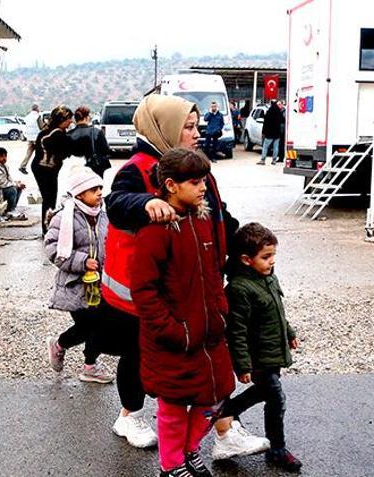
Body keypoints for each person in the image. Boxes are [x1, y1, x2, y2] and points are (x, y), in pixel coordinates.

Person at [102, 94, 250, 452]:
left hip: (194, 285)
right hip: (146, 290)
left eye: (196, 125)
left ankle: (225, 433)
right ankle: (130, 416)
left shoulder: (194, 168)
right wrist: (146, 202)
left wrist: (244, 250)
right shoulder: (137, 168)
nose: (196, 133)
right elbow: (117, 203)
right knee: (139, 355)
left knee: (208, 358)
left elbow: (220, 217)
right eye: (188, 126)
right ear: (165, 127)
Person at [130, 148, 236, 477]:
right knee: (174, 406)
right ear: (172, 185)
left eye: (204, 179)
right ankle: (172, 465)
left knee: (215, 397)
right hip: (172, 340)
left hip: (209, 335)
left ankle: (189, 451)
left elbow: (213, 273)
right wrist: (175, 331)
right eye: (196, 181)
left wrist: (220, 313)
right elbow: (144, 291)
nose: (204, 186)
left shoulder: (202, 220)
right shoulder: (153, 232)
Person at [221, 223, 303, 472]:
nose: (272, 262)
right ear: (246, 260)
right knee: (276, 398)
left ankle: (225, 411)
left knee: (267, 393)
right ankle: (277, 450)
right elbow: (237, 330)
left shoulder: (268, 278)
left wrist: (288, 332)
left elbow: (277, 310)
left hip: (273, 351)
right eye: (266, 257)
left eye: (273, 255)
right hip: (258, 356)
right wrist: (243, 364)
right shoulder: (239, 289)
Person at [44, 166, 115, 384]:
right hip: (76, 285)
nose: (100, 193)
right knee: (88, 326)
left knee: (101, 324)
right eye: (94, 189)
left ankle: (90, 366)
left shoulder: (104, 214)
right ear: (79, 194)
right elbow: (53, 249)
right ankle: (59, 345)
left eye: (100, 188)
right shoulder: (64, 217)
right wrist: (82, 261)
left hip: (100, 283)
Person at [31, 105, 73, 235]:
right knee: (50, 198)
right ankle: (48, 229)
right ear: (62, 119)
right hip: (46, 170)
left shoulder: (45, 132)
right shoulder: (58, 134)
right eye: (69, 119)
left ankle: (48, 227)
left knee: (47, 198)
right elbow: (66, 152)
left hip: (40, 168)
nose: (71, 122)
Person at [0, 147, 27, 221]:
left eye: (5, 156)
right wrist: (15, 185)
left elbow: (9, 180)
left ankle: (11, 210)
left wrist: (17, 183)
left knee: (18, 188)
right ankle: (10, 211)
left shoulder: (3, 166)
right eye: (2, 156)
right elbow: (2, 183)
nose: (4, 158)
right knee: (12, 190)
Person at [68, 105, 111, 178]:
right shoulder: (96, 132)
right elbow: (105, 150)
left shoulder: (69, 135)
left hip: (75, 171)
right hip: (95, 169)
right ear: (87, 117)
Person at [19, 104, 41, 175]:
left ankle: (22, 166)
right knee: (40, 153)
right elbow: (41, 127)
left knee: (28, 153)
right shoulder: (38, 116)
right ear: (37, 109)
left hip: (29, 137)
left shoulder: (27, 117)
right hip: (37, 137)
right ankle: (39, 167)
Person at [260, 100, 284, 165]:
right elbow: (282, 121)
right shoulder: (279, 112)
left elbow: (265, 123)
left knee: (265, 146)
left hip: (269, 134)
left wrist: (263, 132)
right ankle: (274, 160)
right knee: (276, 147)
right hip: (277, 133)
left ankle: (263, 160)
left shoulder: (269, 112)